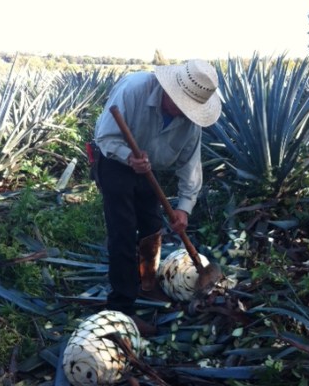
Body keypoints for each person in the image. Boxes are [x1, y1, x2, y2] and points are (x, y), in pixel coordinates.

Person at [93, 59, 221, 322]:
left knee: (152, 226)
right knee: (123, 231)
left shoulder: (189, 122)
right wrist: (129, 157)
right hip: (115, 161)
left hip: (150, 170)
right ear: (170, 90)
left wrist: (184, 208)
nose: (185, 113)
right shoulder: (133, 90)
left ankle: (147, 285)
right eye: (182, 106)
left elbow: (190, 165)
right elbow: (104, 137)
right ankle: (122, 306)